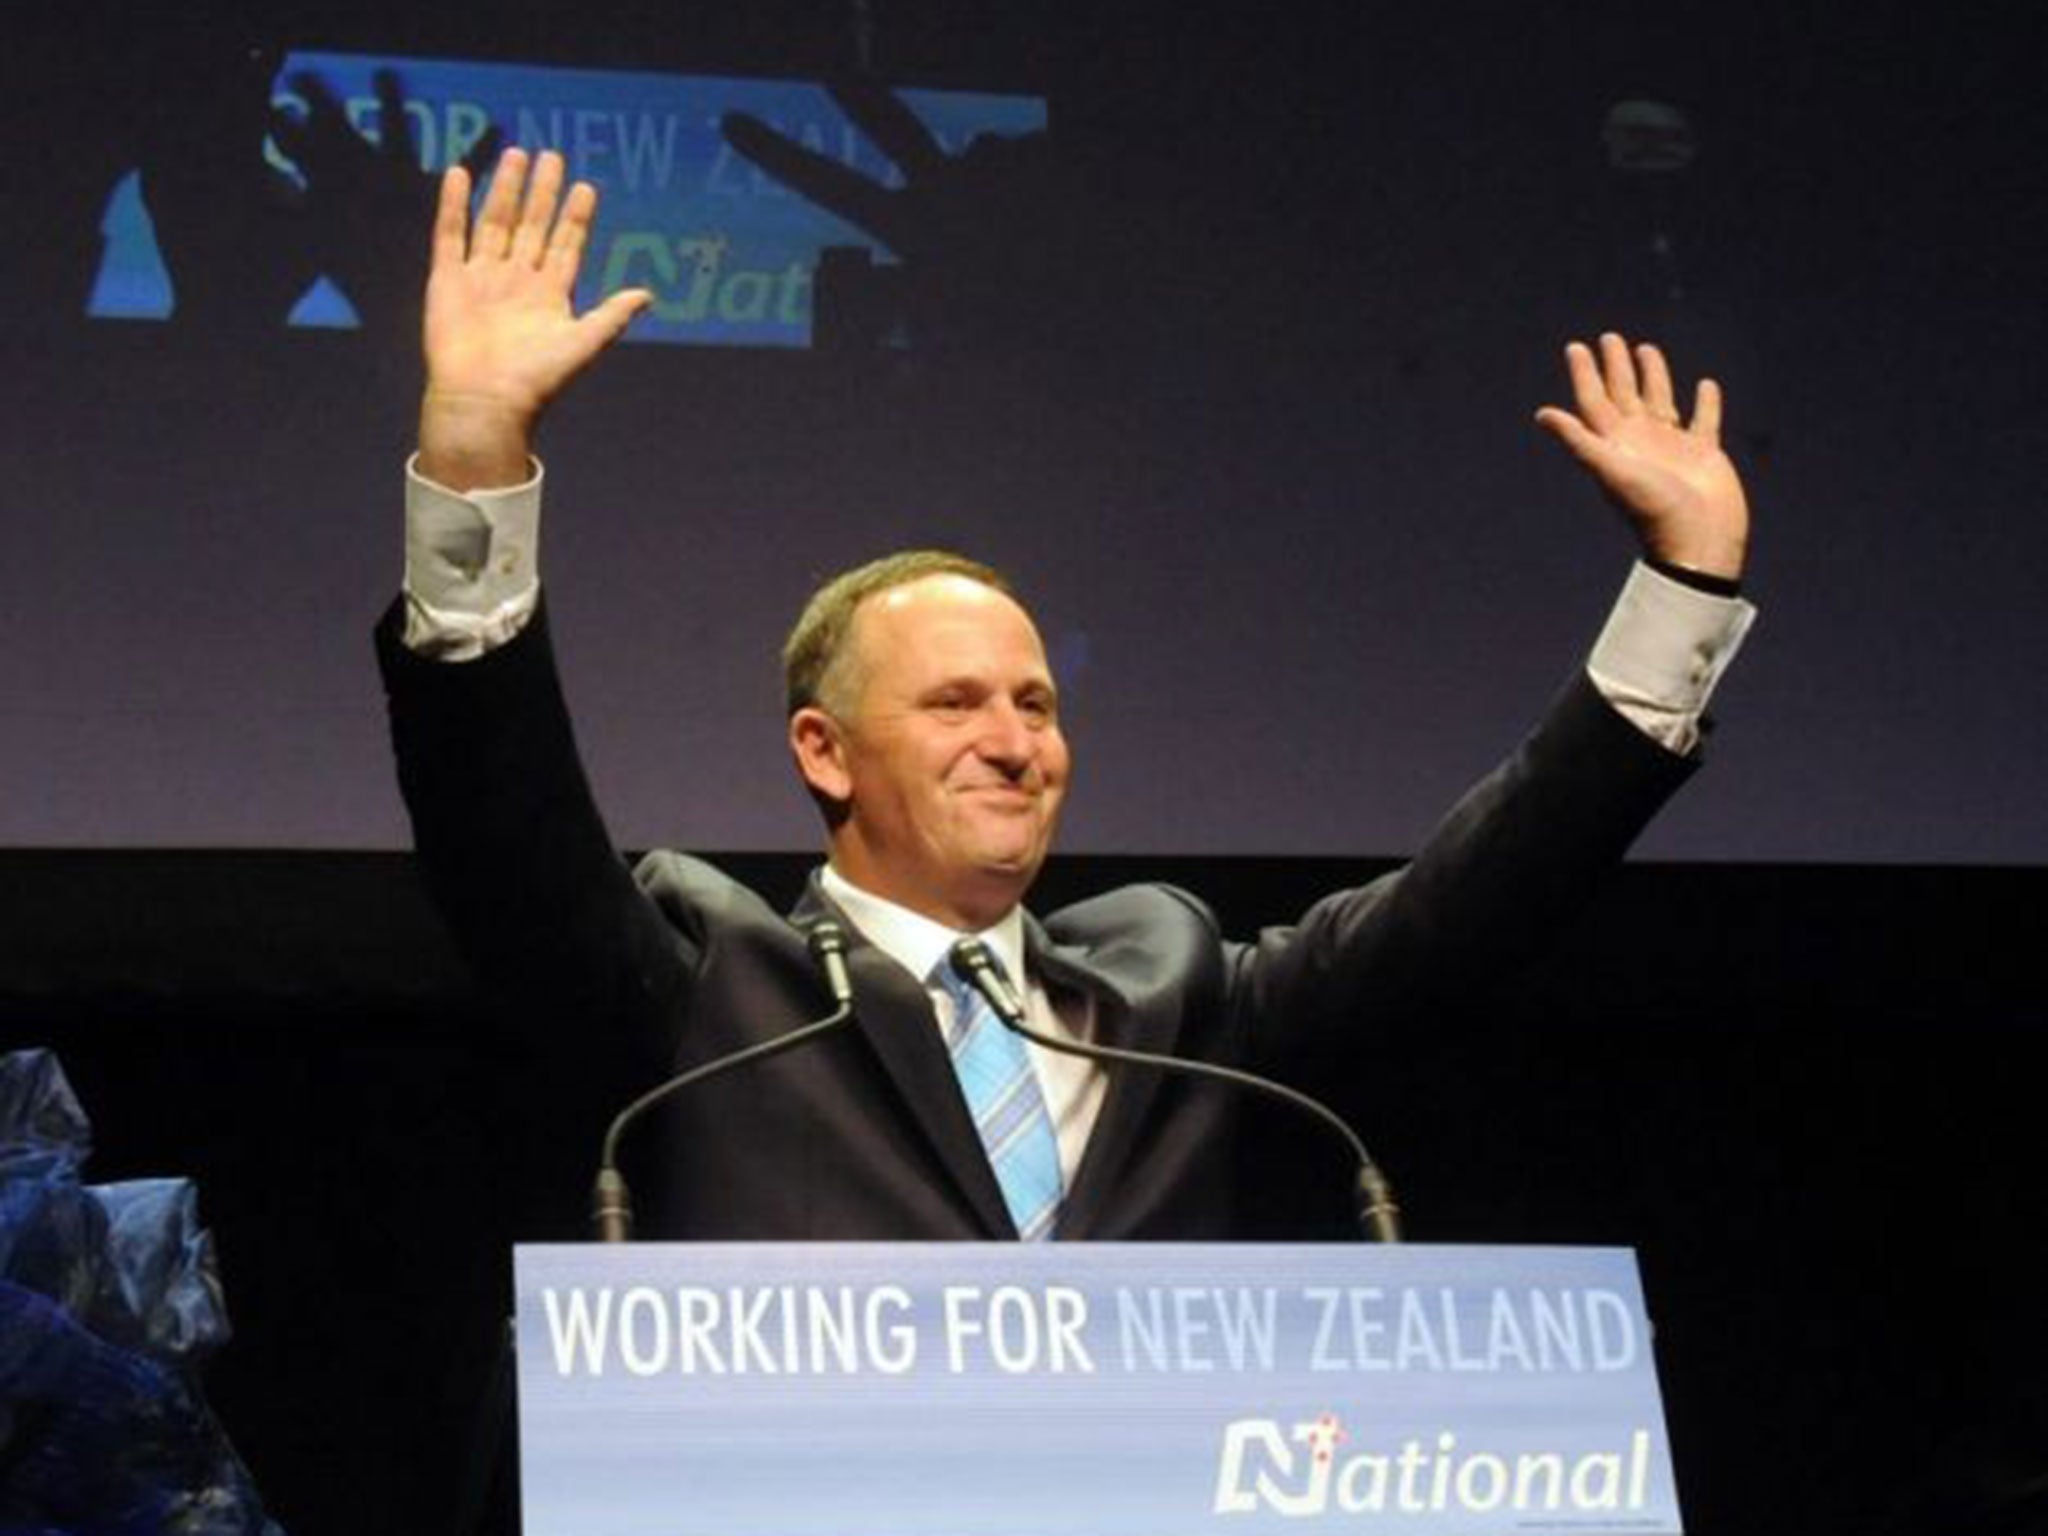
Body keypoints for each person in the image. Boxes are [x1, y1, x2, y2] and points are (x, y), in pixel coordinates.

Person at [377, 149, 1755, 1241]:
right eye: (957, 704)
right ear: (825, 749)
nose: (1015, 743)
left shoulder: (1168, 995)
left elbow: (1472, 907)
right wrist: (477, 456)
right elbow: (509, 848)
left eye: (1036, 706)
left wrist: (1684, 591)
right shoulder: (721, 988)